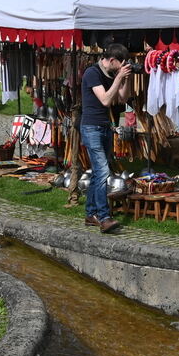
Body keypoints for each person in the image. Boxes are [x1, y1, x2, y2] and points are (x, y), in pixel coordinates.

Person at [80, 44, 133, 234]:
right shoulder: (92, 73)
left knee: (97, 173)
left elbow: (122, 98)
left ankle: (90, 213)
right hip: (91, 128)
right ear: (111, 60)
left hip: (105, 127)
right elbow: (105, 100)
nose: (121, 68)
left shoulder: (111, 75)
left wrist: (125, 79)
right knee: (103, 171)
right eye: (120, 65)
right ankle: (104, 217)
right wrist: (119, 77)